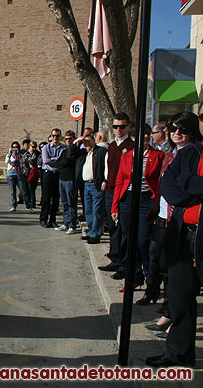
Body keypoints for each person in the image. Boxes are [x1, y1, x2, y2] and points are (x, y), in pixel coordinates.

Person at [146, 105, 203, 368]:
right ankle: (178, 354)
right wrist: (188, 188)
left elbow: (185, 182)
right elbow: (170, 184)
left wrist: (188, 183)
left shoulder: (194, 150)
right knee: (180, 298)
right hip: (184, 234)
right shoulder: (189, 152)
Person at [111, 124, 163, 291]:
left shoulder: (158, 155)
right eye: (142, 135)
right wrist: (115, 207)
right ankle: (134, 277)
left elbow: (160, 181)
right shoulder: (127, 157)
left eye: (148, 134)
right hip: (127, 200)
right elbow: (120, 182)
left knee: (143, 240)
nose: (146, 137)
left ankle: (151, 281)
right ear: (133, 138)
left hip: (147, 200)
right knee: (130, 239)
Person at [101, 113, 135, 278]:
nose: (118, 130)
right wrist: (106, 181)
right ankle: (114, 258)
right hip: (110, 191)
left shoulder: (131, 146)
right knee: (113, 228)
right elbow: (110, 168)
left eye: (122, 126)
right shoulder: (113, 146)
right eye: (115, 126)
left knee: (124, 229)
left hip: (124, 193)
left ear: (128, 126)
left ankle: (123, 264)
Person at [76, 134, 107, 244]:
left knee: (97, 210)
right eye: (84, 142)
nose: (86, 144)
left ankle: (96, 234)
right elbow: (71, 154)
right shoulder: (85, 153)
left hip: (96, 184)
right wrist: (77, 141)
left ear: (94, 141)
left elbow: (106, 166)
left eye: (88, 141)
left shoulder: (101, 152)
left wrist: (105, 180)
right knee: (88, 210)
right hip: (86, 185)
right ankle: (91, 231)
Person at [39, 128, 66, 227]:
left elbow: (63, 161)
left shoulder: (64, 148)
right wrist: (57, 160)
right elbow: (46, 161)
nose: (55, 137)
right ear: (51, 137)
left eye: (57, 136)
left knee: (56, 198)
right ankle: (43, 219)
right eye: (53, 135)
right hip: (47, 173)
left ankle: (53, 220)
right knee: (46, 197)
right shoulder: (46, 147)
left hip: (58, 174)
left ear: (60, 137)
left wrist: (53, 159)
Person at [56, 130, 80, 234]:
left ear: (74, 139)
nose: (68, 140)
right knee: (64, 203)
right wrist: (64, 162)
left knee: (71, 203)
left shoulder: (75, 150)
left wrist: (74, 145)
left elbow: (70, 160)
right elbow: (59, 163)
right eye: (66, 139)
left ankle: (72, 225)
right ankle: (66, 222)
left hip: (70, 179)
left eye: (70, 139)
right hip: (62, 178)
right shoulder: (64, 151)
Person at [5, 141, 31, 212]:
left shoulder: (20, 155)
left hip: (19, 174)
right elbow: (6, 161)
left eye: (16, 147)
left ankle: (28, 206)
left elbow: (23, 161)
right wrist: (10, 153)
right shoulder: (9, 155)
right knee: (13, 191)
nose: (15, 149)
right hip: (11, 174)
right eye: (14, 147)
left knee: (23, 190)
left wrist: (19, 154)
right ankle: (14, 205)